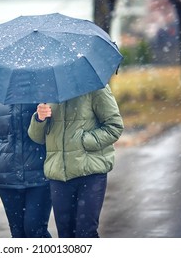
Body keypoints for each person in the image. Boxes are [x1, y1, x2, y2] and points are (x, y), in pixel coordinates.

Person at [28, 85, 124, 238]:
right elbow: (37, 137)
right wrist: (39, 118)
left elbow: (114, 126)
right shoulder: (49, 89)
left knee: (85, 233)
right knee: (66, 234)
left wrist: (83, 141)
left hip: (90, 173)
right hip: (59, 176)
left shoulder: (95, 87)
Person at [0, 98, 52, 238]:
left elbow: (54, 130)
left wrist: (42, 118)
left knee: (35, 231)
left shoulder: (43, 94)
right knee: (17, 233)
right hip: (6, 177)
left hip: (40, 176)